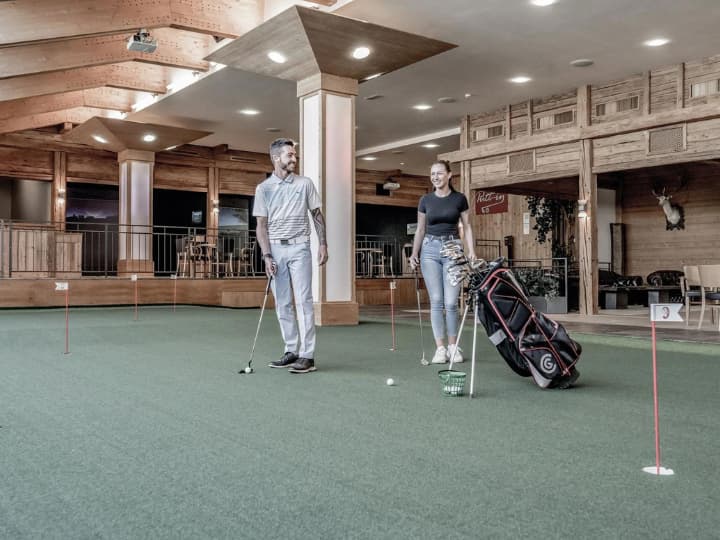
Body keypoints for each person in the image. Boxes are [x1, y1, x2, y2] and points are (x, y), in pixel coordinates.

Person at [253, 138, 328, 374]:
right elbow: (261, 226)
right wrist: (266, 256)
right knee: (283, 303)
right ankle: (292, 350)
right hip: (275, 249)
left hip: (300, 248)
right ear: (277, 158)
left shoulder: (305, 183)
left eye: (295, 155)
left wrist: (323, 243)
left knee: (303, 300)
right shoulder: (263, 188)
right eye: (290, 155)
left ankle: (308, 355)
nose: (294, 159)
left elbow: (317, 214)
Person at [410, 160, 476, 364]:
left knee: (450, 302)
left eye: (439, 173)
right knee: (437, 301)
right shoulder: (425, 200)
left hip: (453, 249)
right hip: (429, 250)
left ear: (449, 175)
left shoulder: (459, 199)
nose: (435, 177)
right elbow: (420, 229)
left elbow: (467, 226)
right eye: (432, 174)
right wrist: (414, 253)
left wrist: (471, 251)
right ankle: (440, 349)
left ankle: (453, 347)